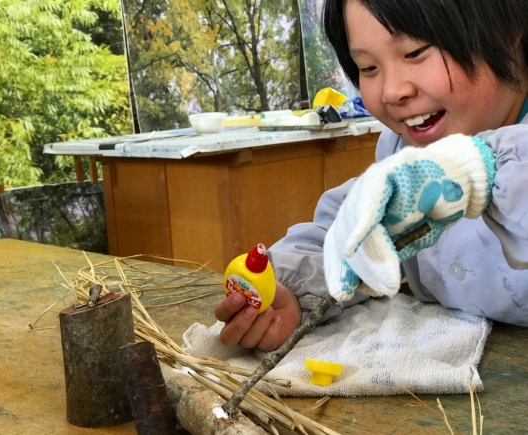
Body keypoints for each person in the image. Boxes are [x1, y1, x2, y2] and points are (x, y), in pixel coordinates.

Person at [215, 0, 528, 351]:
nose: (393, 91)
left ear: (507, 29)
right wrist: (292, 292)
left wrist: (481, 169)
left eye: (415, 52)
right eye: (368, 67)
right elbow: (343, 235)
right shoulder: (400, 151)